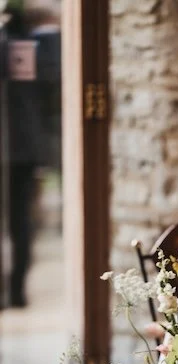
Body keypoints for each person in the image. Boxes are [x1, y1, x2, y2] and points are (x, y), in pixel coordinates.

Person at [4, 1, 60, 307]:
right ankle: (14, 290)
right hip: (24, 147)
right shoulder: (36, 46)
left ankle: (16, 289)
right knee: (20, 222)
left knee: (21, 222)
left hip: (21, 149)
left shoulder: (32, 45)